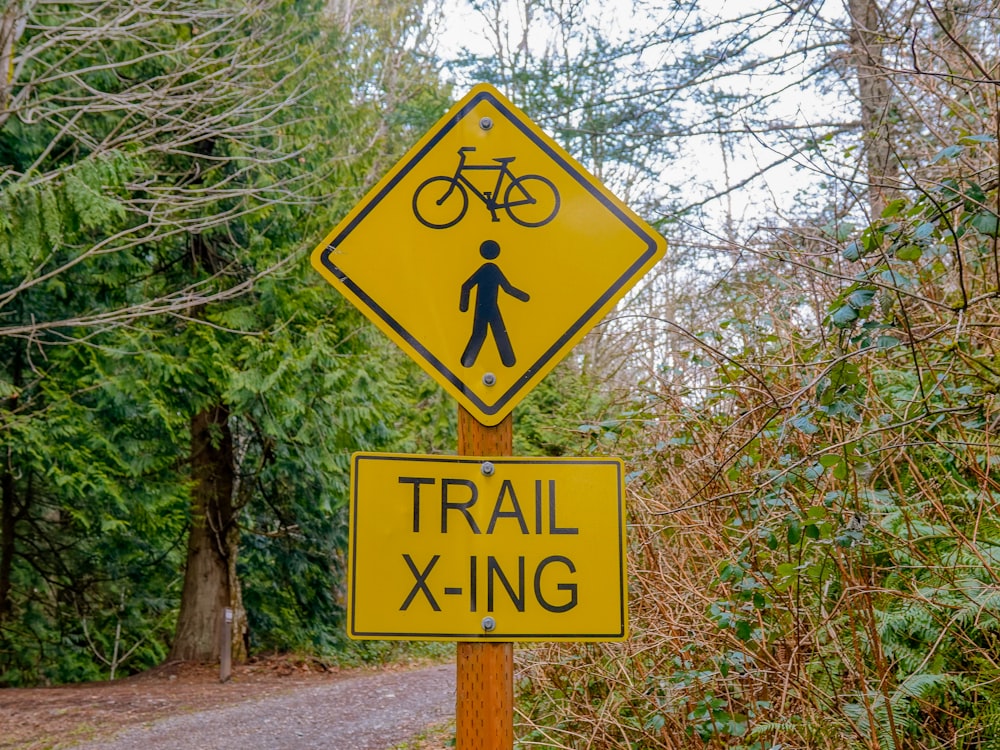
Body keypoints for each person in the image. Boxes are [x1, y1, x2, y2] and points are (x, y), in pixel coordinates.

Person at [459, 240, 530, 367]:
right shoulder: (491, 269)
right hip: (485, 308)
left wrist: (524, 297)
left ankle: (507, 361)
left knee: (489, 332)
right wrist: (463, 307)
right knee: (488, 333)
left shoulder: (489, 268)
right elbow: (507, 288)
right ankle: (469, 362)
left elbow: (466, 286)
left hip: (488, 307)